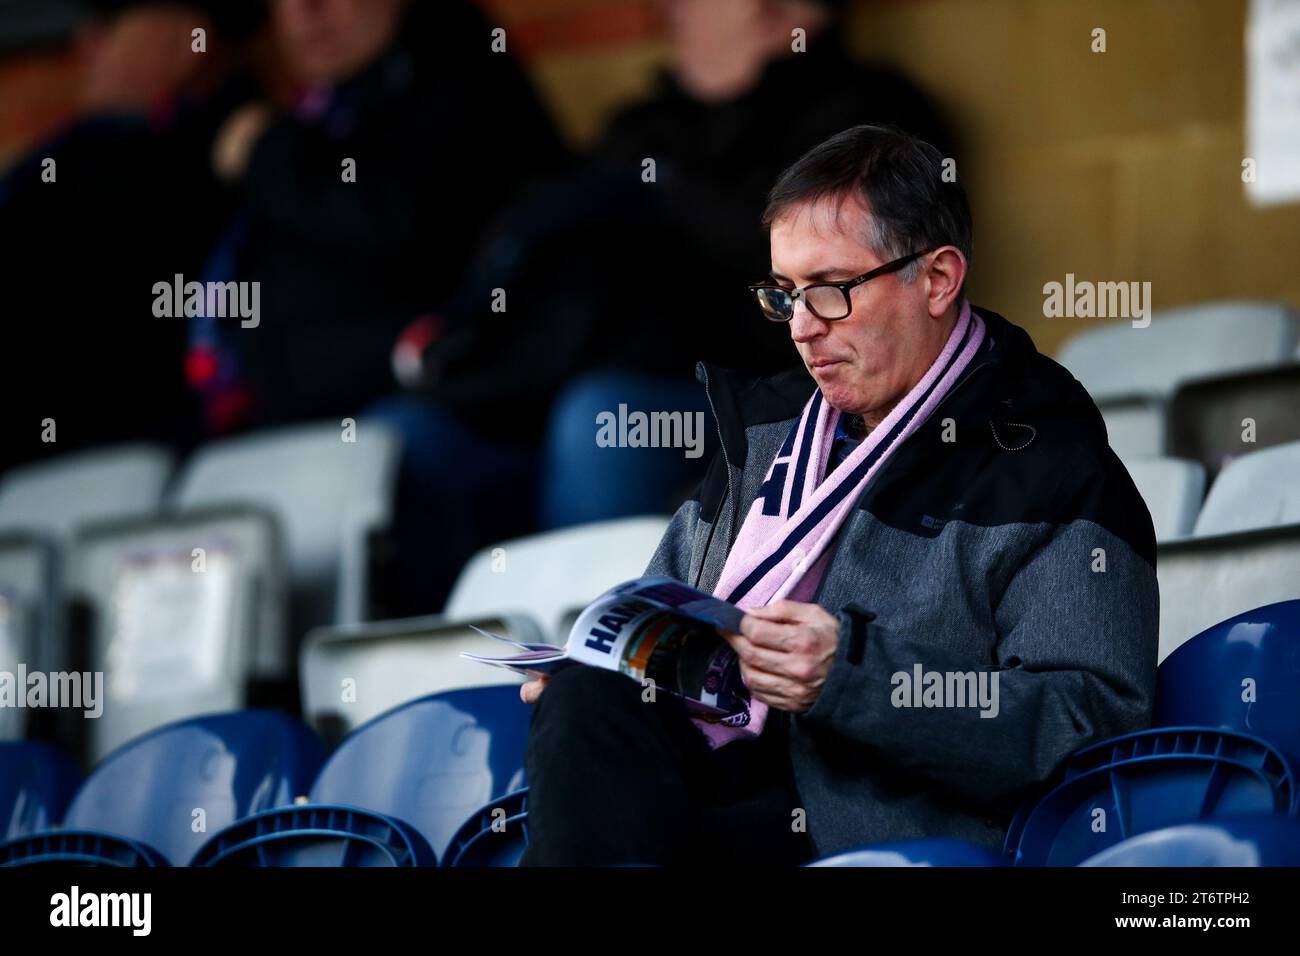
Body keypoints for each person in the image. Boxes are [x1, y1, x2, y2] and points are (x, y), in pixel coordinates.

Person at [518, 125, 1159, 865]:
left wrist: (852, 675)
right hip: (707, 791)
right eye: (784, 294)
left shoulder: (1053, 467)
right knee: (585, 703)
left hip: (869, 830)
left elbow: (1091, 725)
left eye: (831, 290)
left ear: (939, 279)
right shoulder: (762, 432)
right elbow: (666, 617)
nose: (801, 327)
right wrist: (599, 671)